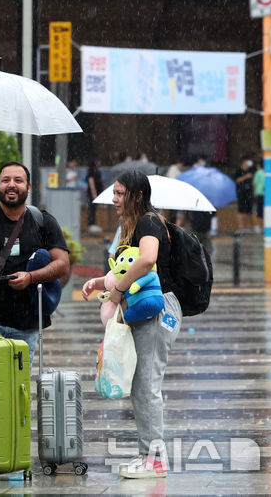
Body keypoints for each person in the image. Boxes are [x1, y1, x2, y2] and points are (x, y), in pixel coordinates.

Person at [81, 170, 182, 479]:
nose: (114, 199)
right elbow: (128, 267)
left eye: (120, 193)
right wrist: (100, 282)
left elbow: (147, 260)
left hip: (158, 309)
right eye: (114, 192)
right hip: (147, 309)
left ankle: (155, 459)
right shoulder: (133, 226)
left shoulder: (149, 222)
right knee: (141, 385)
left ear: (138, 196)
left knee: (147, 385)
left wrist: (118, 290)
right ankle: (148, 455)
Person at [0, 161, 70, 364]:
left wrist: (32, 276)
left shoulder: (43, 221)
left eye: (18, 180)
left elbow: (62, 264)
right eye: (5, 180)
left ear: (29, 187)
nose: (11, 185)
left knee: (19, 386)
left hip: (25, 324)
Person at [234, 155, 254, 231]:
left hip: (249, 193)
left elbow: (252, 183)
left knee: (249, 210)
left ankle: (249, 226)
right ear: (243, 162)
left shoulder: (250, 170)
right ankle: (241, 226)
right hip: (241, 193)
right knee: (241, 210)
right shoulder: (239, 171)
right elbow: (237, 180)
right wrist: (245, 176)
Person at [86, 159, 104, 234]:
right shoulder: (91, 171)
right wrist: (94, 193)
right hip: (93, 194)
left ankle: (93, 223)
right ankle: (91, 224)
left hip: (97, 192)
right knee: (92, 208)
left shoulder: (97, 170)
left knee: (94, 208)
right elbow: (91, 182)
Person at [253, 160, 265, 233]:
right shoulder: (259, 172)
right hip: (260, 193)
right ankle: (258, 226)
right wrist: (254, 192)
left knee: (267, 210)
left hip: (269, 195)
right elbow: (255, 183)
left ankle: (264, 226)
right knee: (260, 211)